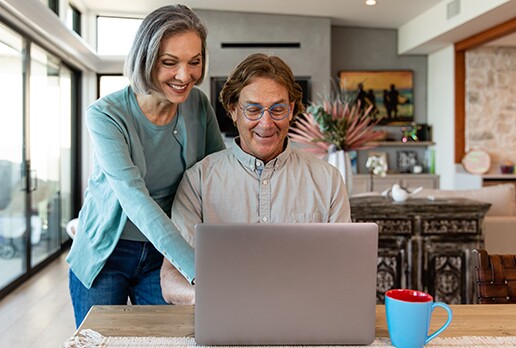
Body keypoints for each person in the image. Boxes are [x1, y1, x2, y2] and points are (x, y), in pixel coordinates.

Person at [65, 4, 226, 326]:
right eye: (170, 63)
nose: (185, 76)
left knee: (169, 338)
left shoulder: (198, 105)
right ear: (146, 60)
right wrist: (198, 271)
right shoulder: (106, 114)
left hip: (164, 255)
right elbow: (134, 198)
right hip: (106, 254)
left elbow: (217, 175)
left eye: (194, 62)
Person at [160, 53, 351, 305]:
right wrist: (211, 299)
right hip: (224, 319)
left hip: (305, 317)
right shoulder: (198, 182)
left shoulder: (328, 181)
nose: (266, 122)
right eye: (253, 109)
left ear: (291, 110)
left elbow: (345, 267)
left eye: (278, 109)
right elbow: (171, 276)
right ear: (233, 110)